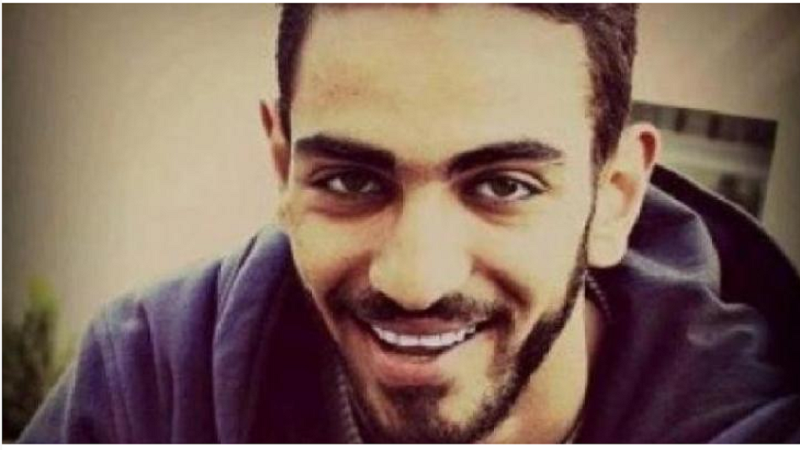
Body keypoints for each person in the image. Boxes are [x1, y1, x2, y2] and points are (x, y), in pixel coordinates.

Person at [20, 4, 800, 443]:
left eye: (503, 185)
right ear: (284, 167)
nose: (416, 280)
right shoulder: (152, 384)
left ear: (616, 196)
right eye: (351, 180)